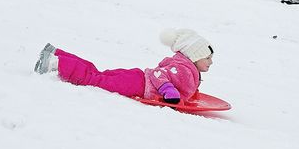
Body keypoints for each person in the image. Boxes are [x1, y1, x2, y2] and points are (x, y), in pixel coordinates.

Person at [34, 28, 214, 104]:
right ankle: (55, 64)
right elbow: (160, 74)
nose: (210, 62)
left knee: (98, 74)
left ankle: (56, 54)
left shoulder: (185, 66)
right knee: (94, 79)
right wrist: (168, 90)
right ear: (194, 56)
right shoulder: (183, 68)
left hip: (137, 79)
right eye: (207, 58)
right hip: (137, 84)